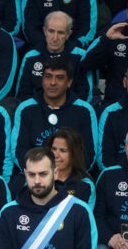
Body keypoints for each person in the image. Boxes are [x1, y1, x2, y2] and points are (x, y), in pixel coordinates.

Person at [11, 57, 98, 185]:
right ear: (42, 80)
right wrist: (41, 173)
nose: (52, 82)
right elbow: (19, 151)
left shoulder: (84, 110)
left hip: (70, 178)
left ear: (69, 82)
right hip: (35, 176)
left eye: (59, 78)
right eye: (48, 76)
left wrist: (62, 175)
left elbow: (88, 154)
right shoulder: (26, 109)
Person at [14, 12, 91, 101]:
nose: (55, 38)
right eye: (51, 31)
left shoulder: (80, 57)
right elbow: (22, 94)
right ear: (44, 31)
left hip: (71, 111)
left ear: (68, 34)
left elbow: (84, 94)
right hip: (37, 111)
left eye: (60, 33)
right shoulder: (30, 57)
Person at [44, 128, 95, 206]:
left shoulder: (85, 185)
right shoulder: (38, 176)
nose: (56, 155)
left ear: (74, 154)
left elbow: (83, 216)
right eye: (54, 149)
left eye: (63, 151)